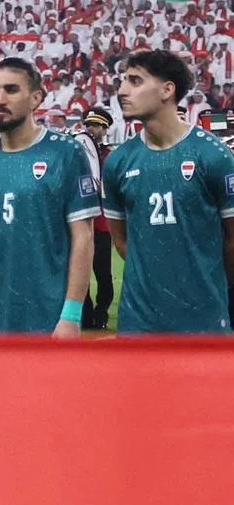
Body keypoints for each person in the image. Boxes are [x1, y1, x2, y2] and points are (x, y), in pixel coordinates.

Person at [0, 57, 98, 337]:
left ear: (36, 98)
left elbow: (83, 238)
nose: (0, 99)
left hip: (49, 318)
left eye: (11, 90)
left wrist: (71, 315)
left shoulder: (66, 153)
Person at [102, 52, 234, 333]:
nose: (122, 90)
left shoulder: (214, 155)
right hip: (138, 322)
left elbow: (232, 238)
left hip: (203, 319)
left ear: (167, 90)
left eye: (135, 81)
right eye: (123, 81)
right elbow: (121, 241)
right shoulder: (118, 162)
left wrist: (207, 284)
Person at [74, 107, 115, 329]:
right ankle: (86, 313)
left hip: (101, 223)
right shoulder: (76, 152)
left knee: (103, 273)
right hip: (81, 222)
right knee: (81, 270)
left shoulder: (111, 155)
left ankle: (102, 312)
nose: (91, 129)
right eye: (89, 125)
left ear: (105, 130)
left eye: (96, 126)